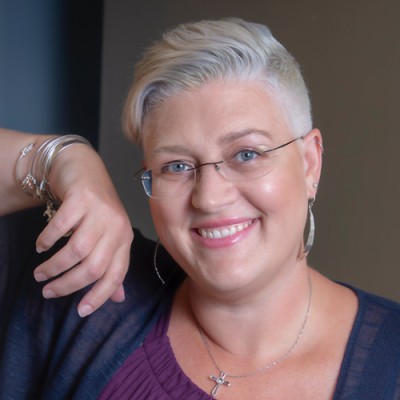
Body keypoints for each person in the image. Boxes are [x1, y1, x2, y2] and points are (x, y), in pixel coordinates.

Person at [2, 18, 400, 400]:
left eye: (246, 153)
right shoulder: (87, 285)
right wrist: (64, 159)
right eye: (176, 166)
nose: (208, 198)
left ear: (310, 163)